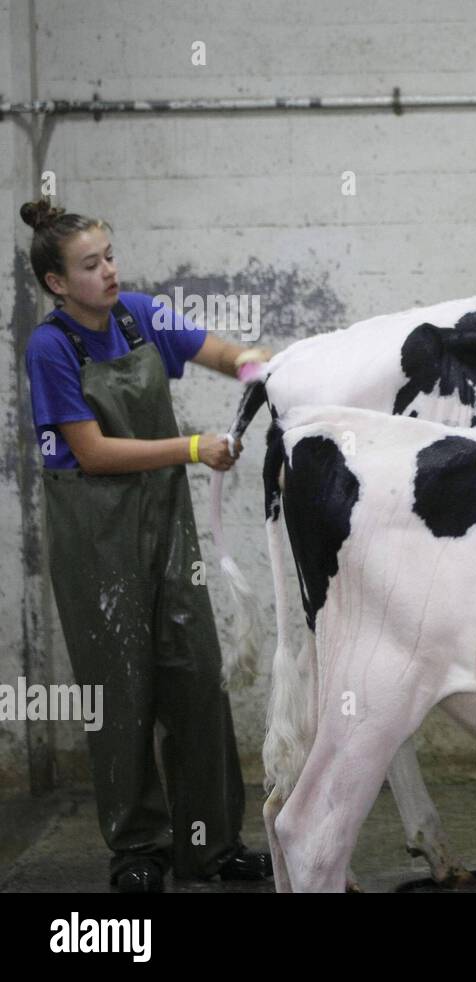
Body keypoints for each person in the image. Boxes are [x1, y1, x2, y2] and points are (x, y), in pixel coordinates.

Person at [20, 198, 274, 893]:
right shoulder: (51, 348)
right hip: (95, 541)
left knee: (196, 678)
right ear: (56, 284)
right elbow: (93, 452)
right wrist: (194, 447)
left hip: (166, 530)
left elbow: (222, 353)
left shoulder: (138, 314)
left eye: (109, 256)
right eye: (90, 264)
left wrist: (271, 370)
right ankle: (138, 848)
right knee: (120, 688)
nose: (108, 271)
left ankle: (213, 845)